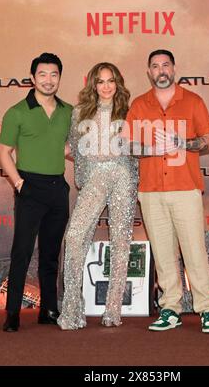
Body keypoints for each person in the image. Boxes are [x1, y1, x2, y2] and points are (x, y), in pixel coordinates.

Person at [123, 49, 209, 333]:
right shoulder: (139, 105)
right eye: (155, 66)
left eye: (166, 65)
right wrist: (152, 149)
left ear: (174, 69)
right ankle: (170, 308)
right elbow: (127, 145)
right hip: (151, 190)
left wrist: (182, 142)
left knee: (194, 251)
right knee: (164, 253)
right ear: (149, 72)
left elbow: (208, 142)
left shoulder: (193, 101)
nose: (161, 70)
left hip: (185, 187)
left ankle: (207, 309)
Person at [57, 62, 138, 330]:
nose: (106, 86)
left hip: (123, 176)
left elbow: (137, 148)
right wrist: (86, 172)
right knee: (75, 235)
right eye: (101, 81)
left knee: (121, 242)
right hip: (94, 178)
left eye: (111, 80)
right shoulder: (79, 113)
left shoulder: (129, 111)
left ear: (118, 82)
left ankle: (113, 309)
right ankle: (72, 310)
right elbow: (73, 148)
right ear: (93, 84)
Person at [0, 52, 72, 332]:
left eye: (54, 74)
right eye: (42, 74)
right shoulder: (16, 112)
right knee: (22, 253)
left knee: (51, 254)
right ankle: (13, 313)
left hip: (57, 188)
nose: (48, 80)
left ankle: (48, 310)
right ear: (32, 78)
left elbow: (66, 148)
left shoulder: (68, 111)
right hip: (28, 186)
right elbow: (3, 153)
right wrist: (19, 184)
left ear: (59, 78)